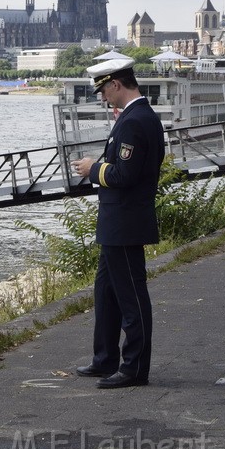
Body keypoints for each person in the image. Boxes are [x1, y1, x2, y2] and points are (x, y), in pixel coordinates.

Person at [71, 58, 165, 389]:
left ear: (116, 84)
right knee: (106, 292)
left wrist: (92, 169)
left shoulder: (135, 121)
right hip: (117, 222)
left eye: (104, 91)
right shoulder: (135, 117)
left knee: (131, 297)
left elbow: (125, 173)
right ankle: (105, 358)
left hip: (124, 222)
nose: (104, 98)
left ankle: (134, 367)